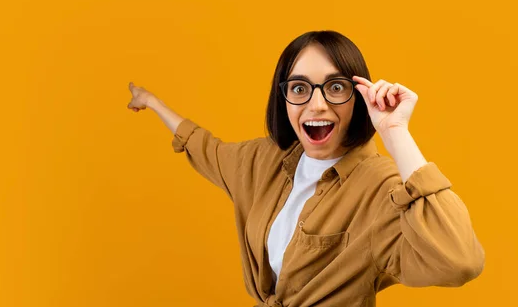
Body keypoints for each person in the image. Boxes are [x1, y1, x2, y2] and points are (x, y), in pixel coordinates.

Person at [126, 30, 485, 307]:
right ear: (283, 98)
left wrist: (396, 133)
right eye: (299, 88)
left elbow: (460, 261)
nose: (316, 105)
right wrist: (153, 102)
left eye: (335, 87)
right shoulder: (264, 161)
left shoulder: (382, 189)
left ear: (358, 96)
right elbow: (205, 147)